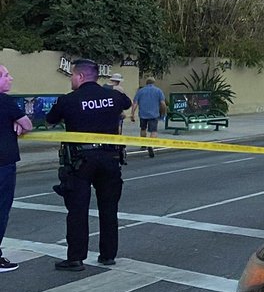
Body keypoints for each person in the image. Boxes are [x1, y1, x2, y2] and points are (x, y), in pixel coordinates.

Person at [47, 58, 131, 271]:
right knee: (109, 208)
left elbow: (50, 120)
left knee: (77, 210)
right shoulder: (113, 96)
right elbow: (126, 103)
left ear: (81, 76)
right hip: (110, 159)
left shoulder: (68, 100)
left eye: (72, 76)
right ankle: (108, 255)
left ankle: (75, 258)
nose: (71, 80)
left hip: (80, 161)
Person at [0, 65, 33, 272]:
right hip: (3, 163)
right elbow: (28, 124)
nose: (10, 78)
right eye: (5, 75)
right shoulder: (5, 102)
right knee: (1, 210)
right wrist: (19, 124)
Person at [131, 75, 167, 158]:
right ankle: (151, 144)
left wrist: (132, 114)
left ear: (146, 83)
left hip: (143, 114)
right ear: (154, 83)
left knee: (143, 129)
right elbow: (163, 103)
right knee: (153, 131)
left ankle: (143, 144)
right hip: (154, 114)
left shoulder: (140, 91)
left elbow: (135, 103)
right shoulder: (158, 91)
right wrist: (164, 112)